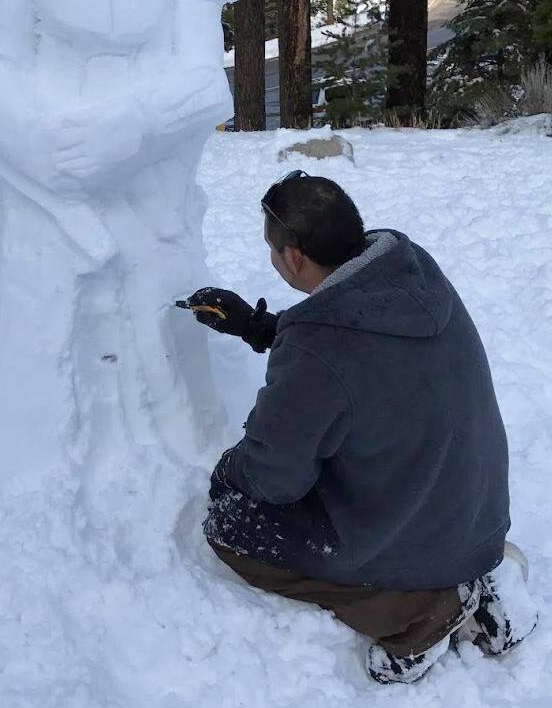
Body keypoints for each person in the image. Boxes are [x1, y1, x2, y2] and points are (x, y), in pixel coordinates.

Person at [180, 170, 537, 684]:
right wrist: (262, 329)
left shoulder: (317, 349)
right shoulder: (411, 270)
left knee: (230, 523)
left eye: (271, 248)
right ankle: (482, 573)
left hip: (414, 530)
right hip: (474, 509)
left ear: (294, 257)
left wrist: (229, 469)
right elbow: (357, 340)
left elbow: (275, 477)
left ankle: (421, 613)